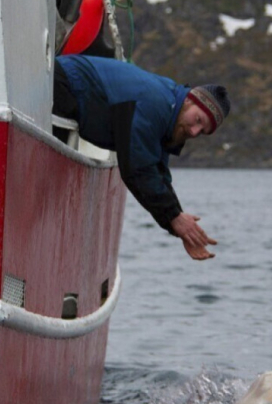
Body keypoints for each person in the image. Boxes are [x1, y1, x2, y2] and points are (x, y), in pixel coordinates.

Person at [53, 55, 231, 261]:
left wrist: (179, 223)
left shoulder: (170, 111)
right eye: (198, 120)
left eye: (202, 131)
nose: (194, 131)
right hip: (63, 82)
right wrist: (174, 218)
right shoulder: (155, 102)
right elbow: (137, 168)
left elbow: (158, 173)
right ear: (190, 100)